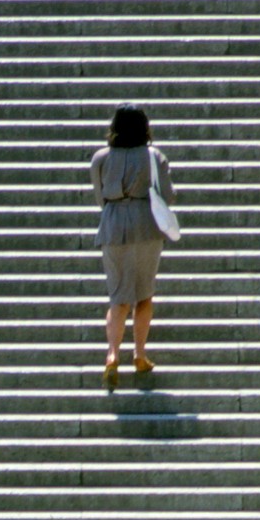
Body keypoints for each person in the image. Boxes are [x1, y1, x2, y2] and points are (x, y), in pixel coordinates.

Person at [90, 105, 176, 388]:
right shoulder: (154, 156)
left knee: (118, 296)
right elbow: (168, 195)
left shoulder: (100, 157)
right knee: (144, 294)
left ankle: (112, 354)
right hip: (146, 226)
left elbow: (99, 196)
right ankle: (139, 353)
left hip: (113, 225)